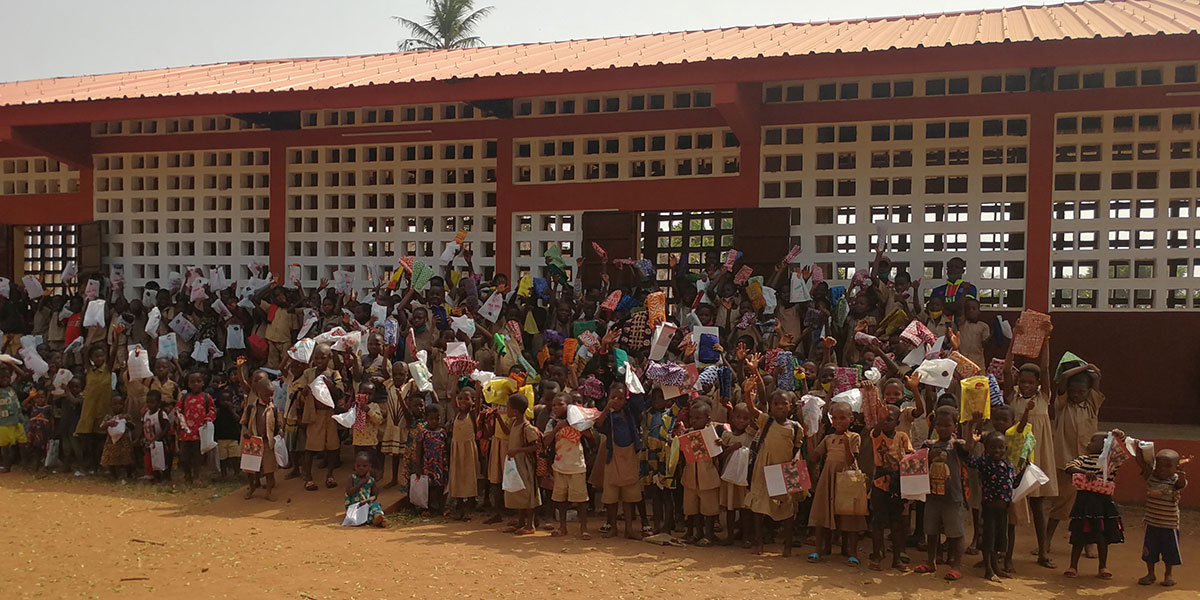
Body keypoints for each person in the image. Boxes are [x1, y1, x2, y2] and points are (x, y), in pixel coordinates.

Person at [1002, 327, 1056, 569]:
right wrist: (1014, 338)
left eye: (1029, 382)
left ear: (1037, 384)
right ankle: (1007, 555)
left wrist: (1045, 339)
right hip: (1017, 458)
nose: (1024, 385)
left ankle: (1043, 552)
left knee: (1038, 505)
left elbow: (1044, 369)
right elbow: (1005, 370)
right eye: (1021, 381)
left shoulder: (1044, 397)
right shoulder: (1012, 397)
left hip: (1039, 456)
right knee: (1012, 505)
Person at [741, 368, 806, 556]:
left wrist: (795, 461)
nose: (779, 407)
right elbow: (752, 410)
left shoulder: (796, 427)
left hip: (785, 469)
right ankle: (758, 543)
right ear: (770, 406)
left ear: (791, 406)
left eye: (784, 404)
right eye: (776, 404)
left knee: (787, 508)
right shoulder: (766, 421)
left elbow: (797, 446)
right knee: (759, 506)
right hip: (763, 468)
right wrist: (747, 394)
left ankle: (787, 547)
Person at [1046, 360, 1104, 554]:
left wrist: (1092, 372)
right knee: (1061, 504)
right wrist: (1085, 367)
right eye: (1073, 391)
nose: (1076, 395)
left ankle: (1088, 543)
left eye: (1081, 392)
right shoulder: (1062, 406)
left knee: (1089, 506)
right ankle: (1046, 540)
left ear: (1088, 392)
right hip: (1066, 462)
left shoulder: (1092, 406)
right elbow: (1063, 378)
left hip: (1090, 465)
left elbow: (1097, 377)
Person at [913, 405, 970, 580]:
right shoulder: (928, 445)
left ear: (955, 427)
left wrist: (973, 425)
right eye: (939, 424)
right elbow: (916, 465)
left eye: (947, 425)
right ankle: (931, 562)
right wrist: (928, 457)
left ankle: (956, 565)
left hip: (952, 496)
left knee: (955, 532)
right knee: (931, 531)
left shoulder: (958, 445)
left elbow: (968, 452)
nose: (943, 428)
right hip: (932, 496)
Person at [809, 401, 866, 565]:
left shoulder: (855, 437)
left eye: (842, 418)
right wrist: (809, 436)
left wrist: (847, 444)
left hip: (847, 478)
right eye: (834, 418)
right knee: (822, 511)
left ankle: (852, 552)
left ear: (851, 419)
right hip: (828, 476)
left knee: (850, 515)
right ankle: (818, 550)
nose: (838, 422)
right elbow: (814, 457)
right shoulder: (828, 438)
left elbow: (850, 460)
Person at [1062, 430, 1125, 579]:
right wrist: (1084, 472)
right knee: (1078, 536)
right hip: (1084, 503)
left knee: (1102, 536)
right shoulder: (1083, 459)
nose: (1088, 444)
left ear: (1104, 446)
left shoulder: (1110, 462)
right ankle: (1073, 566)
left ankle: (1103, 566)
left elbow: (1122, 450)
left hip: (1102, 504)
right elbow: (1068, 467)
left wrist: (1118, 436)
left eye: (1093, 441)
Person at [594, 381, 646, 540]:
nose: (617, 401)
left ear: (626, 399)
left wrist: (632, 382)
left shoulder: (630, 412)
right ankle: (613, 527)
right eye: (613, 397)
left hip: (630, 455)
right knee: (611, 496)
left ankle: (629, 528)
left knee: (630, 496)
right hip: (613, 457)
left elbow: (639, 404)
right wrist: (606, 408)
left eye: (621, 398)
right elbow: (598, 425)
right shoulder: (608, 415)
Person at [966, 430, 1017, 581]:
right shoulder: (984, 463)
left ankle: (996, 567)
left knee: (999, 538)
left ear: (1005, 448)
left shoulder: (1008, 465)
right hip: (989, 507)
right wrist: (973, 443)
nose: (997, 450)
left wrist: (1025, 470)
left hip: (1003, 509)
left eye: (1000, 447)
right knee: (988, 538)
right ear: (986, 449)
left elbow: (1014, 483)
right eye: (993, 447)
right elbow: (969, 461)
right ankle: (988, 569)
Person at [869, 404, 913, 571]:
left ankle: (897, 559)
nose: (885, 422)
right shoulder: (877, 435)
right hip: (880, 483)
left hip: (897, 484)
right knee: (878, 522)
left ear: (897, 421)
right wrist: (879, 418)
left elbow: (910, 454)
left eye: (889, 419)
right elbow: (876, 429)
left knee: (897, 523)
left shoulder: (902, 436)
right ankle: (876, 557)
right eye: (883, 419)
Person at [1136, 448, 1186, 587]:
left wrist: (1182, 473)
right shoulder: (1152, 477)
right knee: (1149, 552)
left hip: (1169, 526)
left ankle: (1168, 575)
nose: (1162, 469)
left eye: (1168, 466)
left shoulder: (1175, 480)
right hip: (1152, 524)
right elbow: (1141, 464)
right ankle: (1150, 574)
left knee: (1169, 553)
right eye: (1159, 465)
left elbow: (1181, 485)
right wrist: (1138, 450)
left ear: (1176, 467)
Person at [547, 392, 592, 539]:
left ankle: (584, 528)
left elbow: (593, 439)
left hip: (577, 465)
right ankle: (562, 527)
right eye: (554, 404)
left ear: (569, 406)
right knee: (560, 499)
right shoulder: (552, 423)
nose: (556, 407)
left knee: (580, 500)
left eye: (560, 404)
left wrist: (581, 429)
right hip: (559, 466)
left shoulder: (579, 422)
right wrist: (557, 428)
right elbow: (545, 442)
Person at [679, 402, 721, 546]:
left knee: (708, 510)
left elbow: (719, 454)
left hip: (708, 478)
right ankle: (695, 533)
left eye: (698, 418)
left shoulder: (713, 434)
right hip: (690, 477)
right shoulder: (687, 434)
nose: (694, 421)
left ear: (707, 419)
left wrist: (719, 443)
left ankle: (709, 535)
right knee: (692, 508)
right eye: (692, 418)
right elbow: (682, 455)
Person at [502, 393, 542, 535]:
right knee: (518, 492)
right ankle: (520, 522)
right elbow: (507, 432)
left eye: (508, 407)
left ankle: (530, 524)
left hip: (524, 464)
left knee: (527, 493)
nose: (506, 410)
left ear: (515, 411)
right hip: (515, 464)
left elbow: (536, 446)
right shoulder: (514, 423)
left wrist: (518, 450)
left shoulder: (527, 427)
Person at [239, 367, 280, 500]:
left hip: (267, 441)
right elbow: (244, 422)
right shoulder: (251, 407)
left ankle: (268, 492)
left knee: (269, 469)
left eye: (272, 394)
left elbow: (279, 424)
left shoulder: (274, 408)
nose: (270, 398)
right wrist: (246, 431)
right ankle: (251, 487)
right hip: (253, 441)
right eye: (267, 395)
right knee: (250, 468)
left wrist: (279, 434)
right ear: (258, 393)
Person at [718, 402, 754, 546]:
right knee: (730, 507)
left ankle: (745, 537)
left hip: (744, 477)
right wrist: (732, 448)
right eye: (738, 417)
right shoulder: (727, 435)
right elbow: (721, 456)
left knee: (745, 508)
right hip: (729, 477)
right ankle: (730, 536)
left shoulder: (750, 435)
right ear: (732, 418)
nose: (741, 421)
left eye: (745, 418)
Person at [176, 371, 216, 484]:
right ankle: (186, 475)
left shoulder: (206, 397)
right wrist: (180, 419)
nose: (195, 384)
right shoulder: (184, 398)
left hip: (200, 433)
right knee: (184, 456)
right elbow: (178, 410)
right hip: (186, 433)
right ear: (188, 384)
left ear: (203, 383)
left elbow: (212, 410)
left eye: (198, 381)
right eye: (192, 382)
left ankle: (196, 476)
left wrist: (208, 419)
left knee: (197, 457)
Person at [448, 387, 480, 521]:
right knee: (457, 476)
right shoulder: (456, 413)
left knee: (469, 476)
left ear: (473, 401)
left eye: (466, 399)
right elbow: (452, 397)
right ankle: (459, 506)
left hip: (468, 450)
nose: (462, 401)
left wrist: (478, 385)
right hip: (456, 449)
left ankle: (468, 508)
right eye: (460, 398)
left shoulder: (473, 414)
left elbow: (478, 399)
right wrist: (455, 380)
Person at [412, 404, 449, 515]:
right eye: (431, 419)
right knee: (428, 486)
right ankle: (426, 508)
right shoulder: (423, 433)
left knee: (440, 486)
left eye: (437, 419)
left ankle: (441, 507)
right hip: (428, 464)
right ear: (426, 419)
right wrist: (418, 466)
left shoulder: (442, 432)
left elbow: (446, 447)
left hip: (441, 464)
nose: (434, 421)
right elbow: (419, 451)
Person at [344, 451, 386, 528]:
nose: (361, 468)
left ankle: (377, 518)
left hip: (365, 503)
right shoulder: (352, 478)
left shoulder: (371, 480)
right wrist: (361, 483)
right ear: (355, 466)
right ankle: (374, 520)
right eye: (358, 466)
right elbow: (349, 493)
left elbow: (374, 495)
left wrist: (367, 500)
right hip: (354, 505)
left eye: (364, 466)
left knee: (375, 505)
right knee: (363, 514)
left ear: (369, 466)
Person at [99, 395, 134, 480]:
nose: (117, 406)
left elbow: (132, 426)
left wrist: (125, 421)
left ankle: (129, 474)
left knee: (126, 458)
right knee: (111, 459)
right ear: (111, 406)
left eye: (120, 404)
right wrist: (108, 423)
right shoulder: (108, 417)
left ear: (124, 405)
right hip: (111, 442)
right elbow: (102, 426)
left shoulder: (127, 416)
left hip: (124, 442)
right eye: (115, 404)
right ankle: (113, 474)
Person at [0, 363, 26, 472]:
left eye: (7, 377)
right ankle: (7, 466)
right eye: (1, 378)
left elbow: (23, 375)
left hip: (17, 420)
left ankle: (25, 464)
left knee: (22, 443)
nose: (5, 379)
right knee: (5, 446)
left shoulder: (12, 387)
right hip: (4, 423)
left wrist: (11, 364)